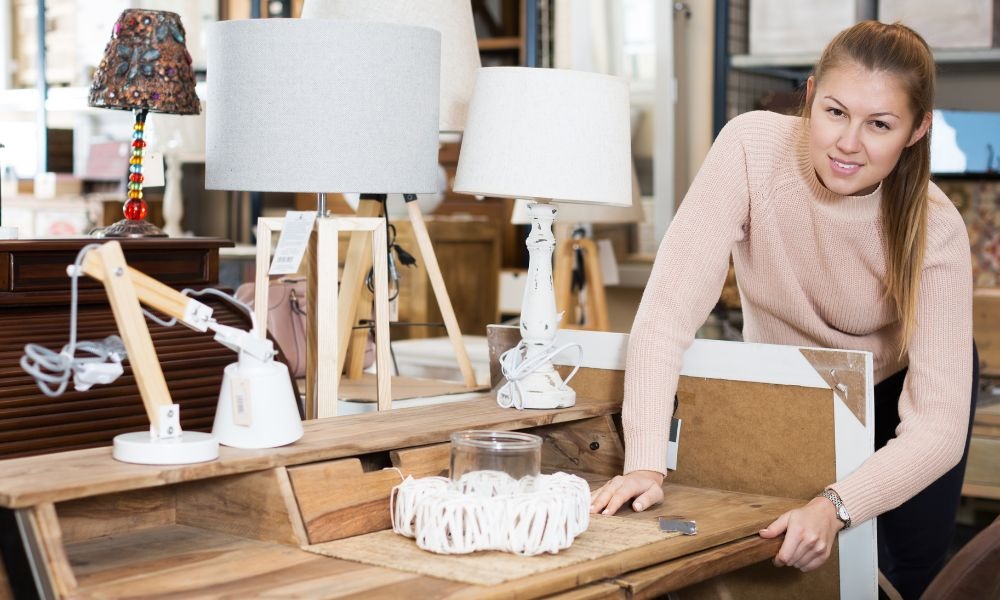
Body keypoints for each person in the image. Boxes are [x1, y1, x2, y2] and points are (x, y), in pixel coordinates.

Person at [589, 20, 978, 599]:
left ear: (918, 130)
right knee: (786, 567)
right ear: (811, 94)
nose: (849, 143)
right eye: (835, 111)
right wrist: (645, 462)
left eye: (879, 124)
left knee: (896, 580)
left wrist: (836, 506)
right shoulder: (750, 147)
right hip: (791, 382)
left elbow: (939, 430)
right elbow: (666, 314)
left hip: (900, 396)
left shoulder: (938, 227)